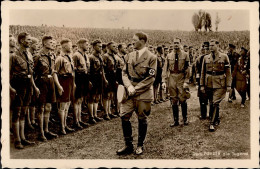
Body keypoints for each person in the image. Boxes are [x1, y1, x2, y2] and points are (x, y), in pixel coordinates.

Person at [117, 32, 157, 155]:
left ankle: (140, 145)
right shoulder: (129, 56)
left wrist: (136, 88)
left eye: (135, 40)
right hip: (129, 91)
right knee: (124, 116)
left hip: (143, 92)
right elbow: (124, 73)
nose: (132, 42)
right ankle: (128, 145)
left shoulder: (151, 57)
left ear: (143, 41)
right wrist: (129, 86)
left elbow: (151, 78)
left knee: (142, 118)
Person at [10, 32, 38, 148]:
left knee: (23, 113)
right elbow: (6, 74)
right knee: (17, 113)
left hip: (28, 86)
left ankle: (23, 138)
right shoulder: (13, 56)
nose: (30, 41)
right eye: (28, 39)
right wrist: (11, 89)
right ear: (21, 41)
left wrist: (34, 87)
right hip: (17, 87)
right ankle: (17, 140)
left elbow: (30, 73)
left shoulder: (29, 55)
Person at [200, 39, 231, 132]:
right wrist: (201, 85)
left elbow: (228, 73)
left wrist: (229, 85)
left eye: (213, 45)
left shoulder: (224, 57)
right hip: (208, 82)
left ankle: (211, 123)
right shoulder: (206, 58)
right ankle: (216, 118)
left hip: (220, 83)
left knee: (215, 102)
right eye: (210, 45)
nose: (211, 47)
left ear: (218, 46)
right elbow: (202, 72)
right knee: (212, 102)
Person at [34, 35, 59, 141]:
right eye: (49, 43)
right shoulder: (38, 55)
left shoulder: (52, 55)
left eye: (52, 42)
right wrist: (35, 86)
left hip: (50, 81)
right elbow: (32, 71)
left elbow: (53, 71)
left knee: (48, 107)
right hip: (41, 81)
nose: (52, 44)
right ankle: (40, 133)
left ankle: (46, 130)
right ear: (44, 43)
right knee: (41, 108)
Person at [162, 38, 190, 127]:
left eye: (177, 43)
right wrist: (164, 81)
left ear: (180, 44)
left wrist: (186, 81)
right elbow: (165, 68)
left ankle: (185, 119)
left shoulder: (185, 55)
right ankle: (176, 120)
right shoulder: (169, 55)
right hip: (172, 77)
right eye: (174, 43)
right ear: (173, 44)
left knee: (182, 99)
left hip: (181, 77)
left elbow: (188, 69)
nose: (176, 45)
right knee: (173, 100)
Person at [55, 38, 76, 135]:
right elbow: (55, 73)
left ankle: (65, 125)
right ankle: (61, 127)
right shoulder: (59, 58)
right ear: (64, 46)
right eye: (69, 45)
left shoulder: (69, 57)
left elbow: (72, 71)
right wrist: (59, 86)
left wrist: (74, 83)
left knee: (67, 105)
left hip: (70, 81)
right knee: (62, 106)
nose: (71, 47)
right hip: (63, 81)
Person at [72, 38, 91, 129]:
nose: (88, 46)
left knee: (80, 100)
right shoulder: (76, 55)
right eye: (86, 44)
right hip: (78, 79)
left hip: (84, 78)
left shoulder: (85, 55)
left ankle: (79, 120)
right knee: (77, 101)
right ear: (80, 45)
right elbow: (73, 69)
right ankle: (76, 122)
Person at [88, 39, 108, 124]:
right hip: (93, 78)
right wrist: (89, 81)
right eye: (98, 46)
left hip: (99, 79)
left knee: (97, 97)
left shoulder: (100, 56)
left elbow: (102, 69)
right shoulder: (91, 57)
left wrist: (104, 79)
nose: (100, 48)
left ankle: (95, 115)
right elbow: (88, 71)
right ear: (94, 47)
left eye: (101, 46)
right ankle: (91, 116)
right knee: (91, 98)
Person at [102, 41, 119, 120]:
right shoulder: (105, 56)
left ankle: (109, 112)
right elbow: (103, 69)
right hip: (107, 76)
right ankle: (106, 113)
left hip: (113, 76)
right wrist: (105, 79)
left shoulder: (114, 56)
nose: (115, 48)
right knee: (107, 95)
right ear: (108, 48)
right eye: (113, 46)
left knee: (111, 95)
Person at [195, 42, 210, 120]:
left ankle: (211, 114)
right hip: (202, 81)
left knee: (211, 98)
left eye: (207, 48)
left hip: (211, 81)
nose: (206, 50)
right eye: (204, 48)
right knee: (202, 99)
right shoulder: (199, 59)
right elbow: (197, 71)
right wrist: (197, 82)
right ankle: (203, 114)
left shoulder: (213, 57)